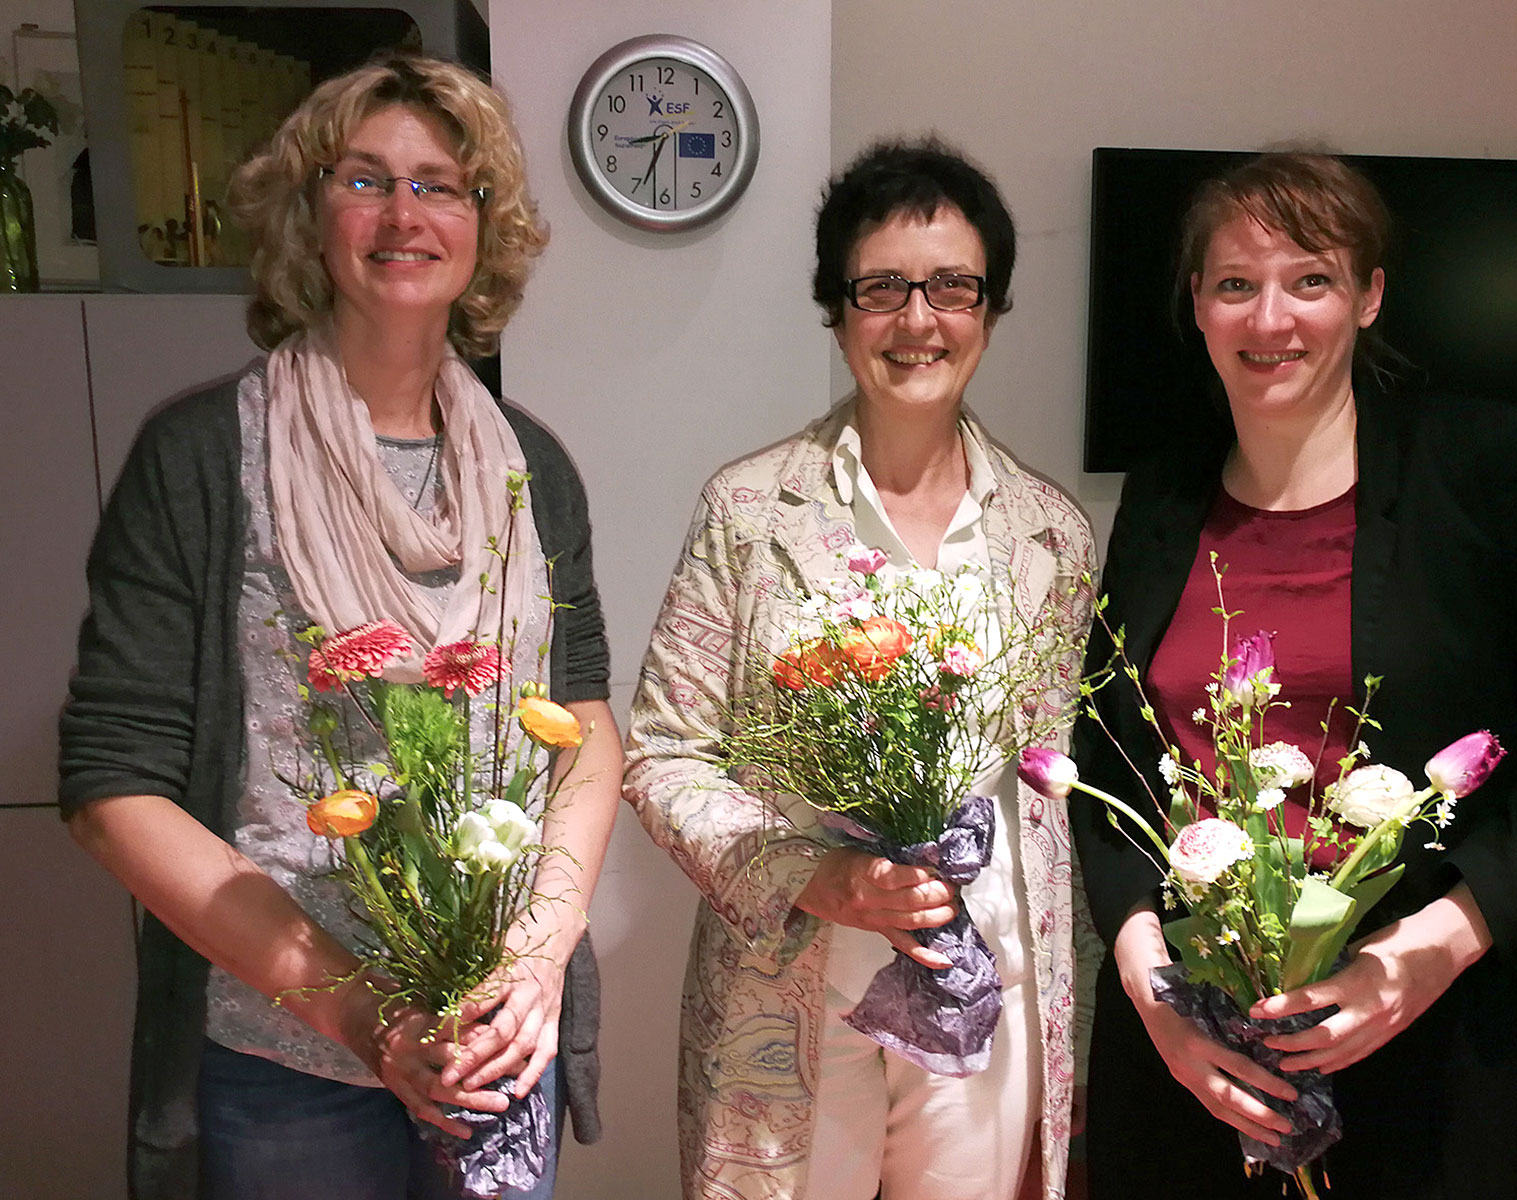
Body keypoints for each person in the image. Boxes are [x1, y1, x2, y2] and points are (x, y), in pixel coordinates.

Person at [58, 56, 620, 1200]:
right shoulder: (204, 459)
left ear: (481, 228)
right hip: (286, 1057)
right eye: (366, 179)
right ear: (309, 216)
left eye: (441, 185)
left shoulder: (534, 469)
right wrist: (361, 1014)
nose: (405, 213)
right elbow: (114, 789)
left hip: (498, 1033)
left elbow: (590, 725)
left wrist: (537, 955)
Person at [1071, 151, 1517, 1199]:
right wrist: (1148, 976)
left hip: (1427, 1044)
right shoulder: (1161, 495)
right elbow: (1101, 764)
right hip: (1189, 1053)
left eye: (1312, 280)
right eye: (1236, 284)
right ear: (1197, 304)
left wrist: (1436, 945)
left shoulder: (1485, 466)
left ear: (1370, 296)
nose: (1270, 319)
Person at [623, 138, 1101, 1200]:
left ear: (990, 308)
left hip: (986, 998)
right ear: (837, 310)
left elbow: (1054, 784)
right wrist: (819, 878)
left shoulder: (1051, 536)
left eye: (952, 287)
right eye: (882, 287)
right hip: (788, 992)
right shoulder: (750, 515)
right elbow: (662, 754)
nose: (917, 319)